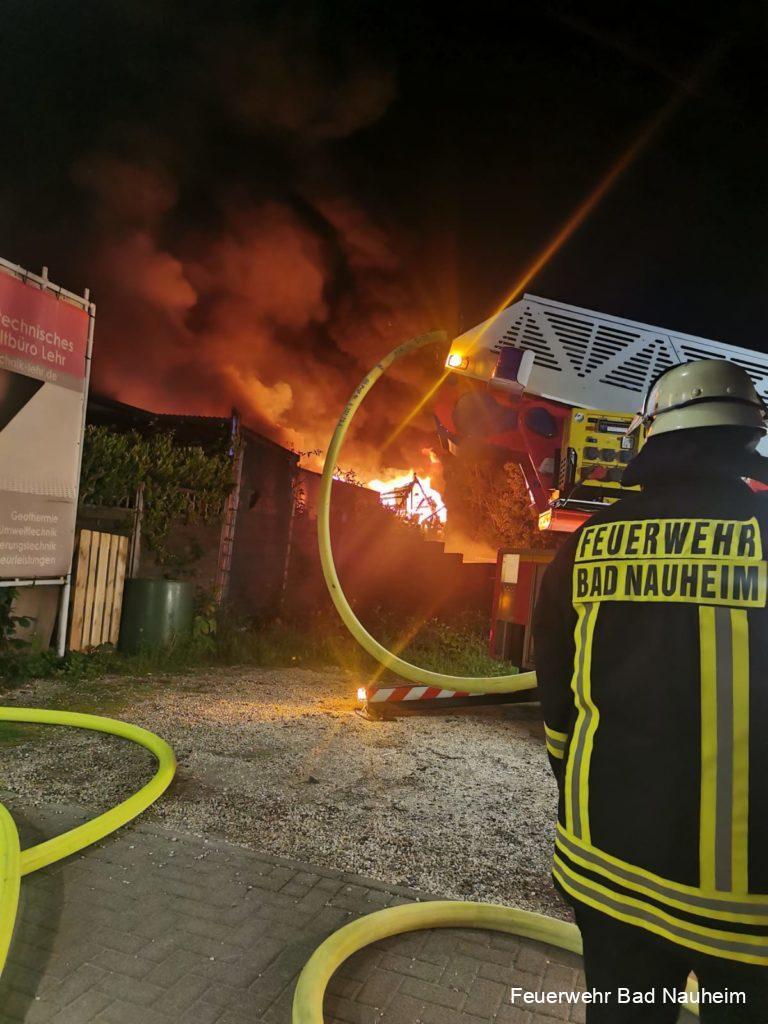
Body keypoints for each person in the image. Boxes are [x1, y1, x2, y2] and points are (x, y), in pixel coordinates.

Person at [532, 359, 768, 1022]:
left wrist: (574, 778)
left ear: (652, 435)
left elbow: (557, 701)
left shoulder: (587, 545)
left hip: (605, 873)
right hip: (744, 911)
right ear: (745, 436)